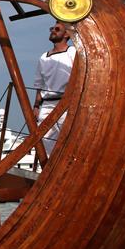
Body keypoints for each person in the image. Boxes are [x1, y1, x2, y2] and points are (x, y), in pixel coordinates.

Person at [32, 21, 76, 152]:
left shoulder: (72, 52)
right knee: (45, 139)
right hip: (47, 105)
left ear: (67, 34)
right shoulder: (43, 57)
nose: (53, 31)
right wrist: (36, 106)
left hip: (67, 102)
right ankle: (50, 168)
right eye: (52, 28)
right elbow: (39, 84)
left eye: (57, 29)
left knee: (68, 137)